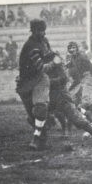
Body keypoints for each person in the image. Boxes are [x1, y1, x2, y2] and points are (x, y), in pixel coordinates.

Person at [46, 58, 92, 146]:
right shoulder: (43, 69)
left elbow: (63, 79)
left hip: (64, 98)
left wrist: (48, 81)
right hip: (52, 100)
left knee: (80, 116)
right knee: (48, 114)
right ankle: (60, 131)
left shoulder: (62, 69)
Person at [16, 19, 57, 149]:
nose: (43, 33)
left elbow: (49, 56)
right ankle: (42, 134)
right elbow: (42, 67)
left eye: (43, 30)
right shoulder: (31, 46)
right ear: (33, 31)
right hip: (27, 81)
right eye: (39, 31)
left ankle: (36, 138)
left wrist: (55, 56)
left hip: (40, 78)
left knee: (40, 108)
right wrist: (55, 62)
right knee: (33, 117)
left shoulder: (44, 41)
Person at [65, 41, 92, 118]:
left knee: (86, 101)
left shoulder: (82, 57)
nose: (72, 49)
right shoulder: (73, 58)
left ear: (77, 49)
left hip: (88, 77)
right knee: (82, 101)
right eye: (70, 48)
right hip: (82, 79)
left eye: (73, 47)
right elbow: (71, 64)